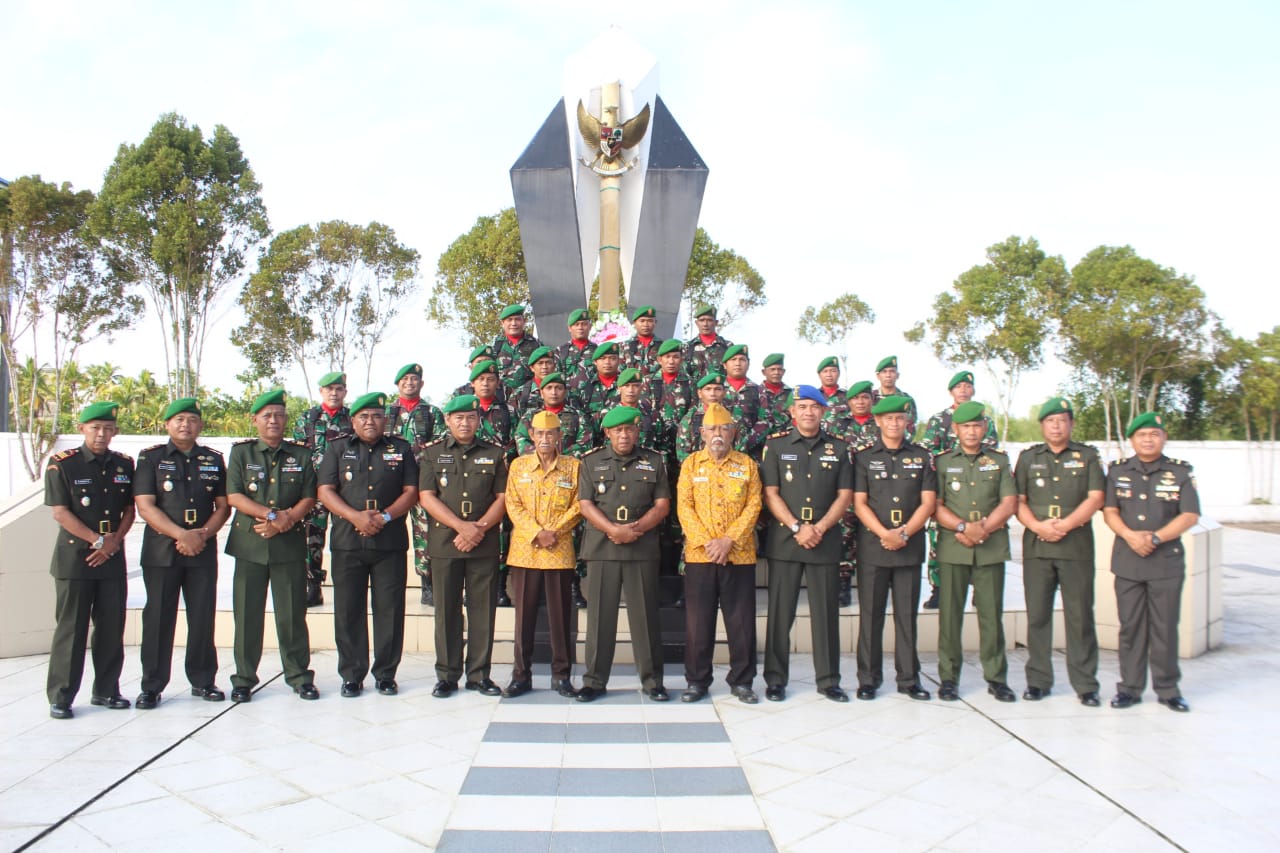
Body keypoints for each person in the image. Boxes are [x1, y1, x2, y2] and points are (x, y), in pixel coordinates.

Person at [317, 392, 419, 698]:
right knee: (348, 611)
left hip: (389, 542)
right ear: (353, 420)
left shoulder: (400, 449)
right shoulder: (336, 448)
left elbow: (411, 491)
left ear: (385, 420)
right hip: (348, 541)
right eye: (363, 416)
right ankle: (352, 674)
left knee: (389, 610)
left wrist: (384, 517)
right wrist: (355, 517)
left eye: (376, 416)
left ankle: (386, 673)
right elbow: (325, 490)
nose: (370, 421)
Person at [133, 398, 230, 709]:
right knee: (158, 618)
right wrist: (181, 535)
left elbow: (223, 506)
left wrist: (202, 535)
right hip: (163, 551)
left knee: (202, 617)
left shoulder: (213, 459)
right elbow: (145, 506)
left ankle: (203, 681)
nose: (185, 425)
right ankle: (152, 685)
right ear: (167, 425)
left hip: (201, 549)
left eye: (191, 419)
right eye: (179, 420)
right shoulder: (150, 459)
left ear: (200, 425)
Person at [760, 386, 854, 703]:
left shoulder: (839, 449)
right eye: (802, 406)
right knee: (780, 613)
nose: (809, 412)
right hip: (787, 541)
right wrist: (798, 526)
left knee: (825, 613)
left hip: (824, 542)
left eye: (815, 407)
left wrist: (820, 527)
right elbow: (771, 493)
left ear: (824, 412)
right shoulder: (776, 447)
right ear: (792, 411)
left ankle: (829, 680)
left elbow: (845, 495)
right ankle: (775, 679)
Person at [225, 390, 320, 702]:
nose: (274, 420)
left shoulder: (301, 455)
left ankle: (299, 676)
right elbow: (235, 495)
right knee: (247, 614)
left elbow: (309, 496)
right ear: (255, 420)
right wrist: (271, 515)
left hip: (288, 544)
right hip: (250, 543)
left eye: (279, 415)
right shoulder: (241, 454)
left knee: (291, 615)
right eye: (266, 415)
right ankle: (243, 679)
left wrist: (287, 519)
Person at [44, 402, 136, 719]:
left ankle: (107, 690)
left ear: (115, 431)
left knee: (111, 629)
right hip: (76, 560)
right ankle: (61, 695)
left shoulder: (124, 465)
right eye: (95, 427)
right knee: (72, 630)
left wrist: (112, 543)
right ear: (82, 429)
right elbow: (60, 512)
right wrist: (97, 540)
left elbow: (129, 510)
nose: (102, 434)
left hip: (110, 558)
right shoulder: (62, 464)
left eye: (108, 428)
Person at [1104, 412, 1200, 712]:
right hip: (1128, 561)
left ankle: (1168, 689)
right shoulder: (1118, 471)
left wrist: (1156, 538)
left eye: (1154, 434)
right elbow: (1110, 510)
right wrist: (1131, 537)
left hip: (1165, 563)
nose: (1148, 439)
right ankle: (1129, 688)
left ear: (1163, 437)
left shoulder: (1180, 473)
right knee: (1131, 627)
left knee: (1165, 627)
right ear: (1132, 439)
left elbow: (1189, 515)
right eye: (1142, 435)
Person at [576, 406, 672, 702]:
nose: (624, 435)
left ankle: (652, 680)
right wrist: (612, 530)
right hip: (603, 548)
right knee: (600, 619)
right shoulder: (591, 462)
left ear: (636, 431)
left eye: (629, 429)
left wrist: (634, 530)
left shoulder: (654, 461)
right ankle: (594, 680)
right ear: (607, 433)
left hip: (641, 548)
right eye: (618, 430)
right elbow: (585, 504)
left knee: (645, 619)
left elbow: (662, 505)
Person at [1015, 397, 1105, 706]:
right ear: (1042, 425)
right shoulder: (1028, 458)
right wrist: (1039, 527)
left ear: (1071, 424)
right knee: (1038, 617)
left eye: (1062, 420)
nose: (1056, 426)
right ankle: (1038, 680)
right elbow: (1019, 501)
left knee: (1080, 617)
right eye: (1051, 421)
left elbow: (1095, 497)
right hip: (1037, 548)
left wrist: (1065, 525)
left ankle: (1086, 683)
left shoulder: (1088, 456)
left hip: (1075, 547)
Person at [418, 395, 510, 698]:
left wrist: (478, 529)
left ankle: (479, 674)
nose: (464, 423)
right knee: (446, 611)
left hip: (482, 543)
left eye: (470, 417)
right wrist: (461, 527)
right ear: (447, 420)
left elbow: (503, 498)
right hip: (446, 542)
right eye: (458, 418)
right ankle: (447, 674)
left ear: (478, 419)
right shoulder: (433, 454)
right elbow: (427, 496)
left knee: (483, 610)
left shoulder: (495, 453)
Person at [851, 396, 937, 701]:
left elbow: (928, 502)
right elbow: (859, 503)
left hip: (908, 547)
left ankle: (909, 679)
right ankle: (868, 679)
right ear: (877, 421)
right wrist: (884, 534)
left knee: (906, 617)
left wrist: (903, 533)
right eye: (888, 419)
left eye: (899, 418)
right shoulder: (863, 458)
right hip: (874, 547)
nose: (894, 423)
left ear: (907, 421)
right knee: (870, 616)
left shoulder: (922, 456)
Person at [676, 403, 763, 704]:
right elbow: (684, 507)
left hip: (738, 555)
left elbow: (754, 505)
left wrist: (728, 541)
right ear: (701, 433)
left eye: (723, 428)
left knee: (740, 622)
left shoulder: (747, 465)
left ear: (733, 432)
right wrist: (709, 544)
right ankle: (697, 681)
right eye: (712, 428)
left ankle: (742, 682)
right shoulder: (691, 464)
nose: (717, 434)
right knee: (698, 623)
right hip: (701, 556)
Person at [933, 402, 1018, 703]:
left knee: (991, 617)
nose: (971, 431)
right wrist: (961, 528)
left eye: (976, 425)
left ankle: (997, 678)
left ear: (984, 428)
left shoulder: (999, 461)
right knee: (950, 617)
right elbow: (936, 505)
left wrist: (983, 529)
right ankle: (948, 679)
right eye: (965, 426)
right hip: (954, 548)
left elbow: (1008, 503)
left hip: (990, 547)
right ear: (955, 429)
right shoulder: (942, 462)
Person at [501, 410, 583, 698]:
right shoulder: (519, 466)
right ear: (532, 436)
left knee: (561, 617)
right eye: (540, 433)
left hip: (559, 551)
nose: (545, 439)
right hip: (526, 551)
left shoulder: (573, 467)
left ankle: (561, 676)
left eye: (551, 433)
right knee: (524, 618)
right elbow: (513, 504)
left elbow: (579, 505)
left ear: (560, 436)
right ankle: (521, 676)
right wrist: (537, 532)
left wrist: (555, 531)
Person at [920, 370, 999, 610]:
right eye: (959, 387)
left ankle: (977, 589)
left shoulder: (986, 421)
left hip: (979, 487)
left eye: (967, 386)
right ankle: (939, 588)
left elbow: (991, 451)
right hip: (947, 488)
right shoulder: (940, 419)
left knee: (980, 535)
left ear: (973, 390)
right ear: (951, 391)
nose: (963, 390)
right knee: (939, 539)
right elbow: (929, 452)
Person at [384, 363, 444, 606]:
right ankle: (387, 581)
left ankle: (427, 583)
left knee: (426, 531)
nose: (410, 383)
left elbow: (440, 441)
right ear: (398, 384)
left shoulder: (432, 412)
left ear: (422, 383)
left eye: (414, 379)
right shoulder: (386, 412)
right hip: (391, 481)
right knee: (387, 527)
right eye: (405, 379)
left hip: (422, 481)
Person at [294, 371, 353, 606]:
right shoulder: (307, 419)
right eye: (329, 389)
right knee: (312, 538)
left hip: (344, 490)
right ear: (321, 392)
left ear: (345, 392)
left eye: (339, 389)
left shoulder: (352, 419)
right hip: (314, 488)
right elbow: (298, 454)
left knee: (345, 536)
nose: (334, 393)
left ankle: (347, 584)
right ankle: (313, 585)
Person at [514, 372, 595, 458]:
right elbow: (521, 439)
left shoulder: (578, 416)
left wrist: (559, 459)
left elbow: (585, 443)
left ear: (565, 392)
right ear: (541, 392)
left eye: (558, 388)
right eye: (549, 388)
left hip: (568, 466)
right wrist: (542, 458)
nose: (554, 392)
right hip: (537, 467)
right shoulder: (530, 416)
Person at [720, 344, 770, 457]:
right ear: (724, 365)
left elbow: (765, 420)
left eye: (742, 359)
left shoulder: (759, 390)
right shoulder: (716, 389)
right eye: (733, 360)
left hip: (750, 454)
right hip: (718, 452)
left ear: (748, 363)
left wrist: (744, 444)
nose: (738, 363)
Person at [492, 303, 544, 393]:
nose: (514, 323)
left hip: (530, 397)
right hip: (503, 399)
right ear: (502, 323)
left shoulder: (536, 345)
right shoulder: (496, 347)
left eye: (517, 319)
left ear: (524, 321)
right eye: (509, 320)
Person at [681, 303, 733, 380]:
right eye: (702, 320)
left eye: (709, 320)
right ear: (696, 323)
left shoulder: (727, 346)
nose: (705, 324)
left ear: (716, 323)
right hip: (696, 391)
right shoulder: (687, 348)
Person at [870, 356, 918, 435]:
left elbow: (910, 426)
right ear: (878, 376)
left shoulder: (906, 399)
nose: (888, 375)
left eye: (892, 371)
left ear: (897, 375)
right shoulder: (870, 398)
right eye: (884, 372)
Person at [620, 304, 664, 374]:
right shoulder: (624, 346)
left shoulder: (663, 346)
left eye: (650, 321)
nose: (646, 324)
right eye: (642, 321)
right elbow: (619, 371)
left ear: (655, 323)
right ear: (634, 323)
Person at [554, 308, 595, 383]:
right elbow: (556, 379)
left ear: (590, 327)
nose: (580, 328)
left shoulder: (596, 350)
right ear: (569, 328)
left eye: (584, 324)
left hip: (593, 394)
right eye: (576, 324)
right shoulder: (560, 352)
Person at [759, 353, 791, 433]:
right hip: (760, 442)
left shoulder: (791, 394)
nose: (776, 372)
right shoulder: (755, 392)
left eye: (779, 369)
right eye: (772, 369)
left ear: (784, 372)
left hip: (784, 439)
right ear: (763, 372)